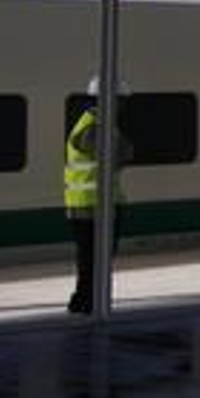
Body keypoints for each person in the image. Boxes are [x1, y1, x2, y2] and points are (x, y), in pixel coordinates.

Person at [64, 76, 131, 314]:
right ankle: (87, 303)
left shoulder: (98, 125)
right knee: (94, 260)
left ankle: (87, 301)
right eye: (121, 101)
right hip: (91, 208)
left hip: (94, 206)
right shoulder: (92, 128)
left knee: (92, 260)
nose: (123, 107)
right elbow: (121, 153)